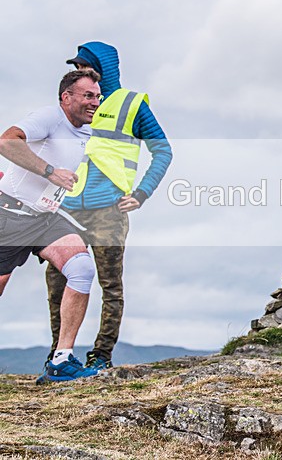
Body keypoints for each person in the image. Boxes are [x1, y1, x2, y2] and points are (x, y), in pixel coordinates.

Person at [44, 42, 173, 372]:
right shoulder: (73, 103)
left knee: (110, 284)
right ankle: (60, 354)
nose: (79, 72)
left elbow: (163, 151)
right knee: (58, 281)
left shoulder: (132, 105)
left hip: (109, 211)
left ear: (104, 69)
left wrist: (142, 193)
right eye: (76, 68)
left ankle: (101, 355)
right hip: (68, 207)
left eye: (85, 66)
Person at [0, 69, 102, 382]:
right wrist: (49, 171)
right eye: (88, 95)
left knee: (82, 269)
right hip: (9, 216)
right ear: (66, 97)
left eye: (97, 96)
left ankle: (61, 360)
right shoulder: (48, 118)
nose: (95, 102)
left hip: (44, 218)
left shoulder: (85, 130)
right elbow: (6, 141)